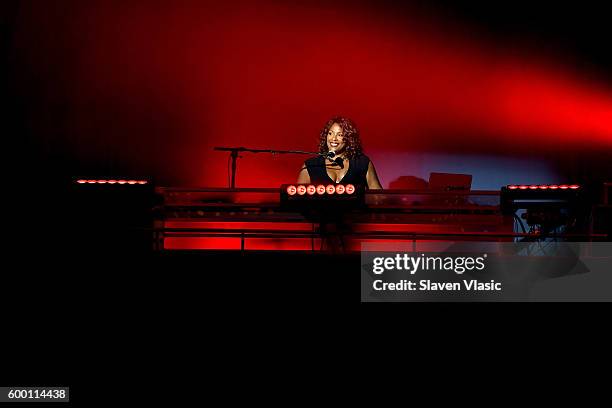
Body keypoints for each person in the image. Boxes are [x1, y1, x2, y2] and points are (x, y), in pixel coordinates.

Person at [297, 116, 383, 189]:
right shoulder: (310, 165)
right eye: (330, 133)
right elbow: (297, 201)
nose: (333, 139)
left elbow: (379, 197)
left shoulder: (362, 163)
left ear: (349, 138)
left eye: (340, 135)